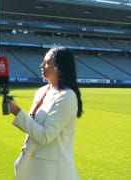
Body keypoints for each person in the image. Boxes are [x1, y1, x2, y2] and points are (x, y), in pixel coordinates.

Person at [8, 47, 83, 180]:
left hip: (53, 173)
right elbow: (33, 126)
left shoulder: (67, 96)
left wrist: (17, 112)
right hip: (34, 167)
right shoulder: (42, 91)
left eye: (47, 62)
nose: (41, 65)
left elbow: (45, 135)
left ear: (60, 67)